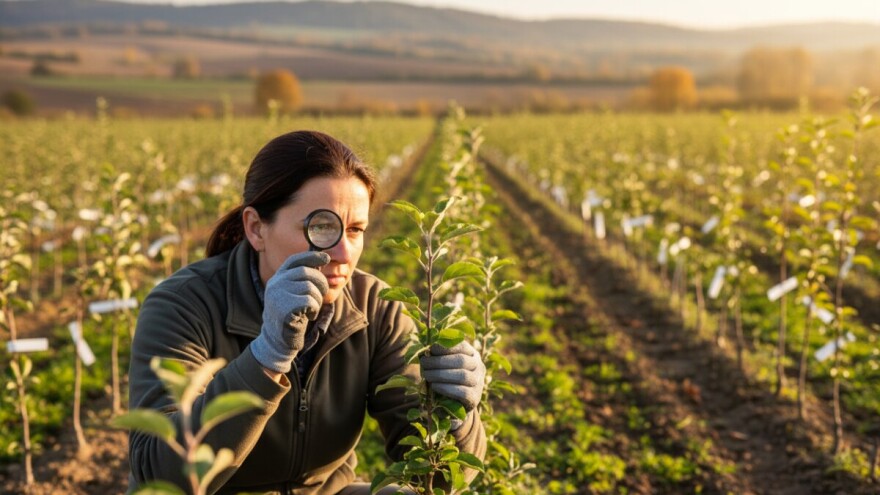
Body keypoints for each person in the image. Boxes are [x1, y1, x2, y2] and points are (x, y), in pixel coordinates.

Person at [128, 130, 487, 494]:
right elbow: (158, 474)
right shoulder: (183, 305)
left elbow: (438, 479)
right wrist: (265, 359)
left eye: (355, 230)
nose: (343, 254)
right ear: (256, 229)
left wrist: (455, 413)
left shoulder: (376, 308)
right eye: (320, 227)